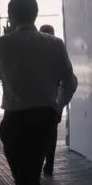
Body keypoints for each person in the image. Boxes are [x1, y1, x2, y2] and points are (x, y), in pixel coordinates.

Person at [0, 0, 77, 185]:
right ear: (35, 14)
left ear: (12, 15)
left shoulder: (5, 44)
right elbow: (70, 80)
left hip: (16, 121)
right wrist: (58, 106)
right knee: (30, 177)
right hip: (45, 119)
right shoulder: (54, 43)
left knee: (27, 183)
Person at [38, 25, 61, 176]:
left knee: (39, 135)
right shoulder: (58, 48)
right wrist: (60, 104)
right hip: (54, 100)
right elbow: (67, 78)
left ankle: (40, 162)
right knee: (52, 133)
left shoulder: (35, 52)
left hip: (38, 101)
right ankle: (49, 164)